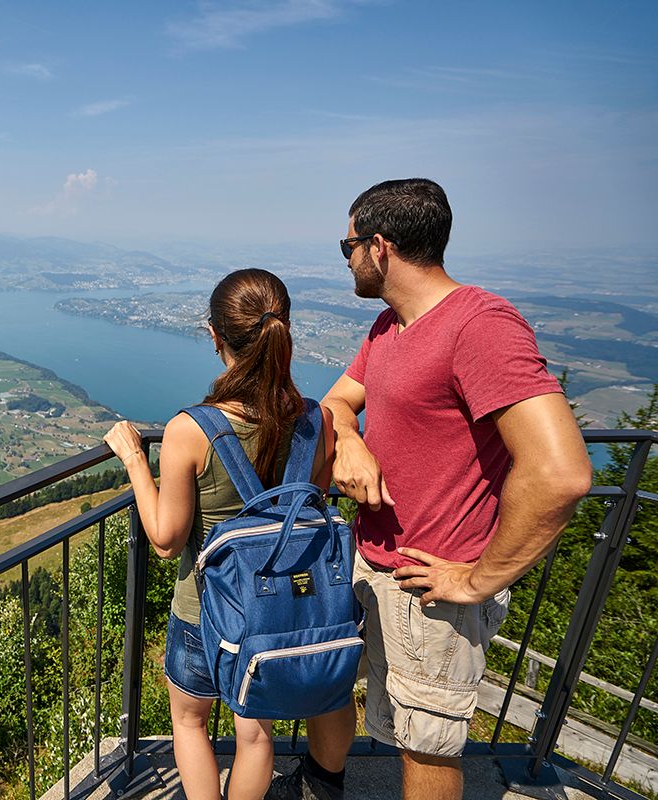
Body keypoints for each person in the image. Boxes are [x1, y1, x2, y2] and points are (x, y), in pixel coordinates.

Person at [268, 179, 592, 800]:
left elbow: (562, 473)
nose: (348, 259)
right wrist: (353, 441)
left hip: (430, 586)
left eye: (348, 246)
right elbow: (337, 400)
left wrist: (476, 580)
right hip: (371, 562)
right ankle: (320, 782)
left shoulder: (479, 326)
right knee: (334, 682)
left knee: (428, 741)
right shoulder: (390, 328)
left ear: (380, 247)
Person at [103, 268, 336, 800]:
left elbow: (164, 540)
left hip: (204, 611)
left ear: (215, 336)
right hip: (278, 611)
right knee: (255, 733)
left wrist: (137, 460)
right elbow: (311, 509)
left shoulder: (193, 430)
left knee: (189, 724)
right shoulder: (315, 421)